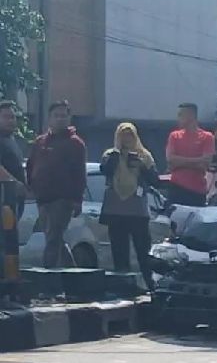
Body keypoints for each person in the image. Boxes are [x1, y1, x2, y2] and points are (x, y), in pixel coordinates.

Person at [26, 100, 87, 269]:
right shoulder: (40, 142)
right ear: (49, 118)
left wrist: (78, 200)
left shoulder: (76, 143)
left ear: (69, 118)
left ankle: (49, 283)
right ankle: (74, 276)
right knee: (55, 238)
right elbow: (31, 165)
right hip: (42, 198)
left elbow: (80, 174)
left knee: (53, 239)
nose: (60, 119)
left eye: (63, 115)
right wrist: (31, 186)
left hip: (63, 199)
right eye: (56, 115)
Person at [99, 123, 158, 290]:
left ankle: (151, 285)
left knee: (144, 251)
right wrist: (117, 154)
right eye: (123, 135)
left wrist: (141, 165)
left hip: (137, 209)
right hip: (116, 208)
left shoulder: (145, 155)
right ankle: (123, 286)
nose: (126, 139)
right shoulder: (110, 154)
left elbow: (154, 180)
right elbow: (105, 170)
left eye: (129, 135)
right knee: (119, 251)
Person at [166, 102, 214, 207]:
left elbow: (205, 163)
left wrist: (180, 163)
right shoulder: (174, 136)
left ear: (191, 116)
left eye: (181, 115)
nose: (178, 118)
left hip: (197, 190)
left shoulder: (207, 137)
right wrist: (197, 160)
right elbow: (170, 160)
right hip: (176, 187)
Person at [0, 101, 26, 220]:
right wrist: (14, 183)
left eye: (13, 117)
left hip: (13, 201)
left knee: (11, 235)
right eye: (6, 117)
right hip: (4, 198)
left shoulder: (11, 140)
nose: (10, 120)